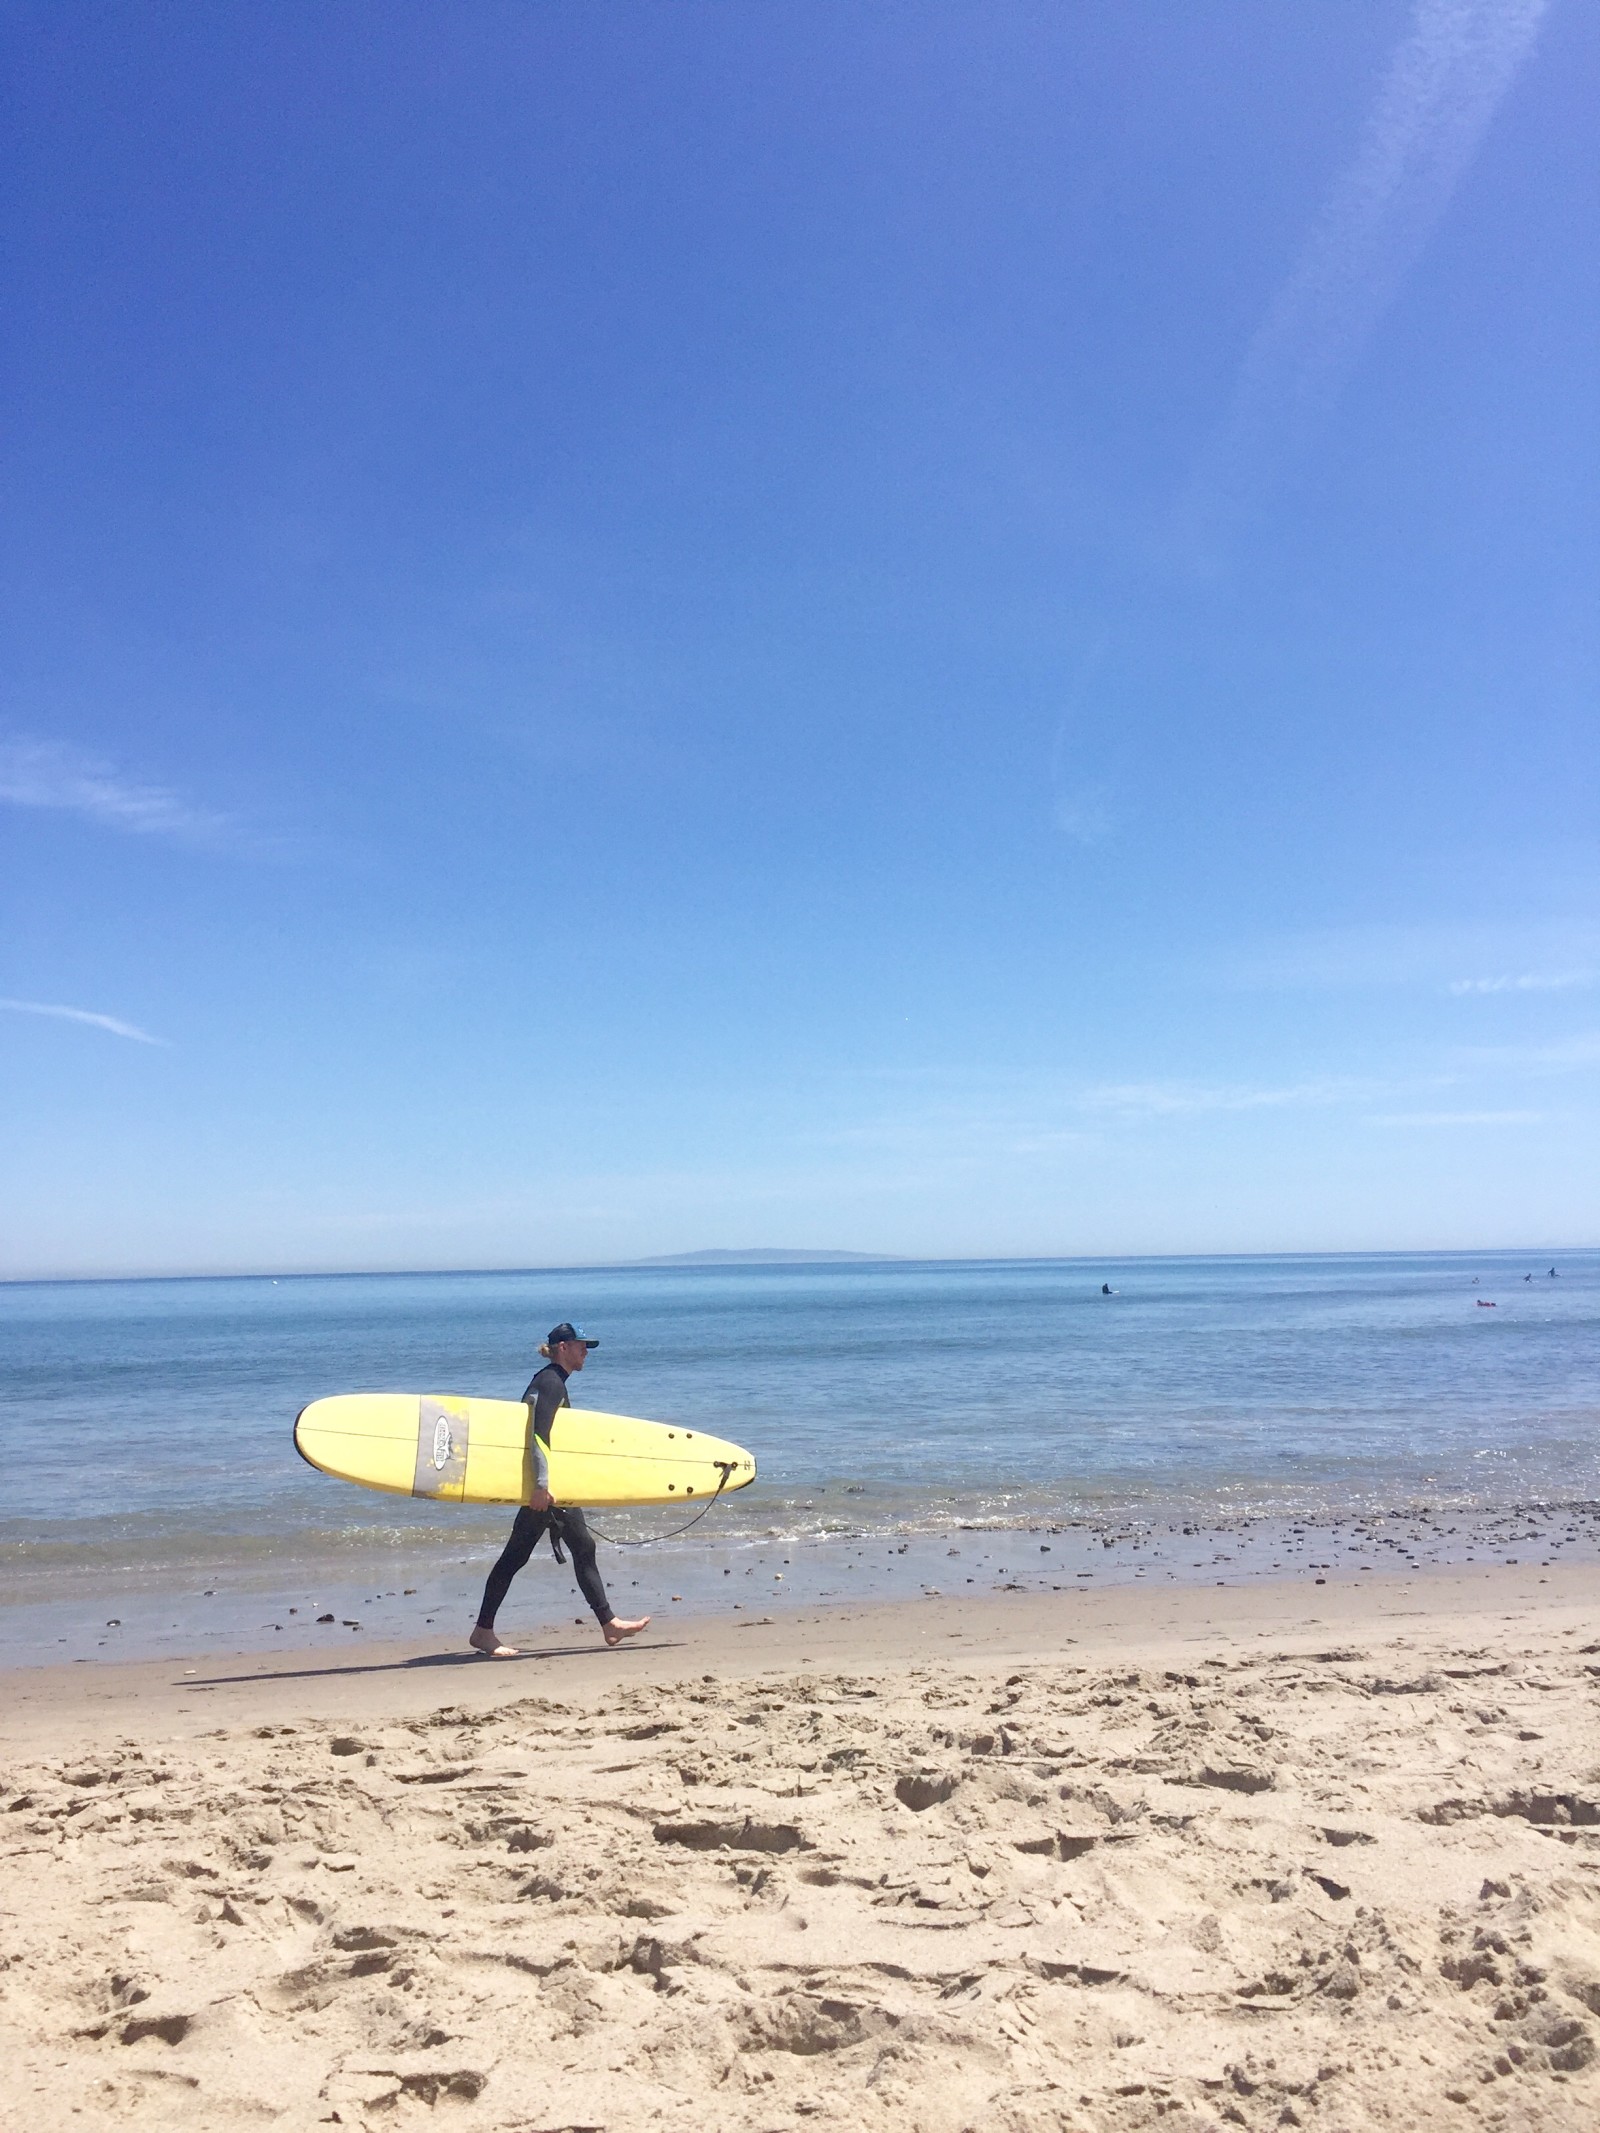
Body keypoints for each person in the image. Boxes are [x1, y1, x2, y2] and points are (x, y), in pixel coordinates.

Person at [469, 1322, 651, 1658]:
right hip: (547, 1491)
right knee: (516, 1558)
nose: (586, 1353)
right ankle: (483, 1631)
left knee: (581, 1547)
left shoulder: (551, 1381)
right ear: (563, 1348)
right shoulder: (550, 1382)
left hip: (554, 1488)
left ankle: (609, 1624)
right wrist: (541, 1486)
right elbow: (538, 1435)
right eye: (581, 1346)